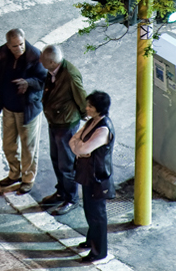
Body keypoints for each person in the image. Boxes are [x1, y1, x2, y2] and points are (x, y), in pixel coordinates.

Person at [0, 28, 46, 194]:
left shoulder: (36, 57)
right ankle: (14, 173)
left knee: (28, 148)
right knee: (8, 145)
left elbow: (44, 81)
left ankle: (27, 179)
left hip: (28, 111)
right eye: (14, 46)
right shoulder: (2, 55)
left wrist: (29, 82)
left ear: (24, 40)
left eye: (21, 44)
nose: (19, 49)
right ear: (8, 45)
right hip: (9, 108)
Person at [39, 45, 87, 215]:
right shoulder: (53, 71)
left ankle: (71, 198)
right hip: (55, 122)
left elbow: (81, 98)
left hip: (66, 125)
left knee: (66, 164)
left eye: (43, 59)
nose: (40, 60)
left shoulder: (70, 75)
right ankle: (61, 192)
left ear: (52, 62)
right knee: (56, 159)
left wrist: (84, 115)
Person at [69, 91, 116, 263]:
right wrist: (79, 146)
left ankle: (99, 251)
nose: (86, 108)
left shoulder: (103, 129)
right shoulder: (92, 122)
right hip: (87, 173)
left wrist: (79, 146)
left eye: (90, 106)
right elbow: (74, 139)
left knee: (97, 214)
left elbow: (81, 148)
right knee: (89, 210)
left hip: (97, 176)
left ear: (98, 109)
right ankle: (91, 241)